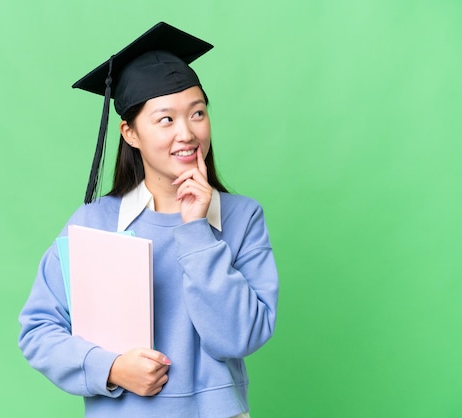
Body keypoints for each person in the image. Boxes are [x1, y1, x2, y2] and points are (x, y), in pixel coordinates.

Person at [18, 22, 279, 418]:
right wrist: (112, 368)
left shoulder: (242, 217)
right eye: (166, 119)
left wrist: (196, 230)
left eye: (197, 113)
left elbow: (238, 336)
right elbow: (38, 330)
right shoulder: (94, 222)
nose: (187, 133)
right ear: (130, 133)